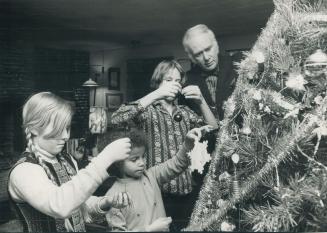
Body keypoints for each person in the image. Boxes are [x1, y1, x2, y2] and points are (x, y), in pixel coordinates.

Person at [110, 59, 218, 230]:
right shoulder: (146, 111)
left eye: (177, 81)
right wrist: (156, 94)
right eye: (168, 80)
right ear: (157, 82)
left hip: (185, 191)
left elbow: (214, 129)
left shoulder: (185, 112)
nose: (173, 85)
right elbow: (116, 118)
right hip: (154, 193)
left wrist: (201, 100)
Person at [8, 92, 132, 232]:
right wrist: (105, 158)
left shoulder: (67, 159)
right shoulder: (24, 171)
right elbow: (60, 206)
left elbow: (79, 205)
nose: (66, 136)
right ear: (34, 129)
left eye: (67, 128)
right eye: (58, 129)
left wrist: (105, 202)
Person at [104, 127, 210, 231]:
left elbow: (177, 163)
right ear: (118, 163)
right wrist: (149, 230)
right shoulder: (112, 197)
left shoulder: (151, 175)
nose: (141, 162)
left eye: (143, 156)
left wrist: (187, 143)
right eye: (134, 159)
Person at [182, 24, 238, 121]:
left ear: (216, 46)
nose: (206, 58)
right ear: (192, 58)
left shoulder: (238, 64)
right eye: (198, 54)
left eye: (208, 49)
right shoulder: (187, 82)